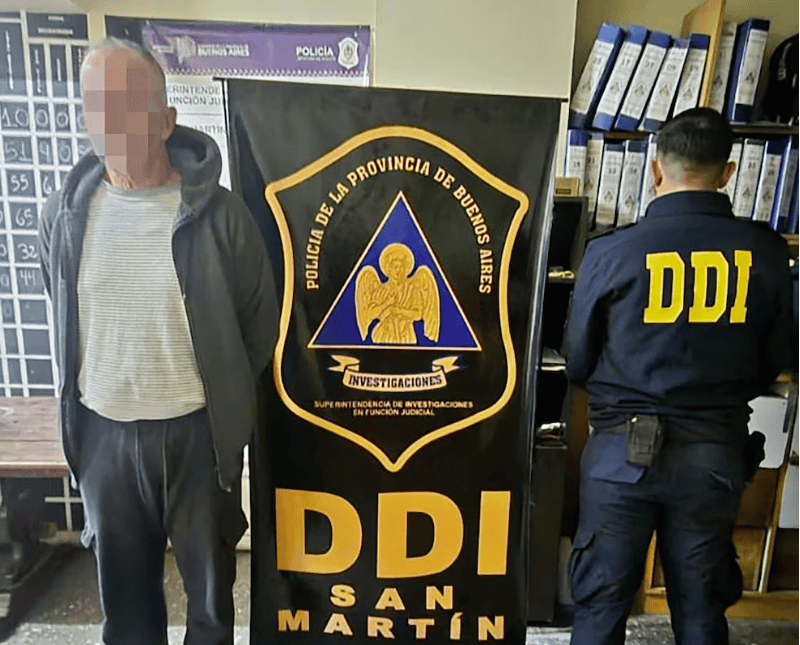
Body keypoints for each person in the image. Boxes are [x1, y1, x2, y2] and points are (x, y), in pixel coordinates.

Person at [38, 38, 277, 644]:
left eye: (126, 103)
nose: (109, 119)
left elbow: (258, 324)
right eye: (96, 103)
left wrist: (226, 407)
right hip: (104, 442)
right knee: (127, 614)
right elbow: (63, 313)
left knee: (211, 609)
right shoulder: (62, 216)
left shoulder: (222, 217)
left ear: (166, 120)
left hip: (199, 442)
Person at [564, 108, 794, 645]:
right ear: (728, 173)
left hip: (620, 456)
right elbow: (776, 359)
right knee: (701, 610)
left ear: (654, 169)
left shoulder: (610, 251)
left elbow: (578, 362)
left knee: (600, 609)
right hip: (714, 455)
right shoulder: (765, 252)